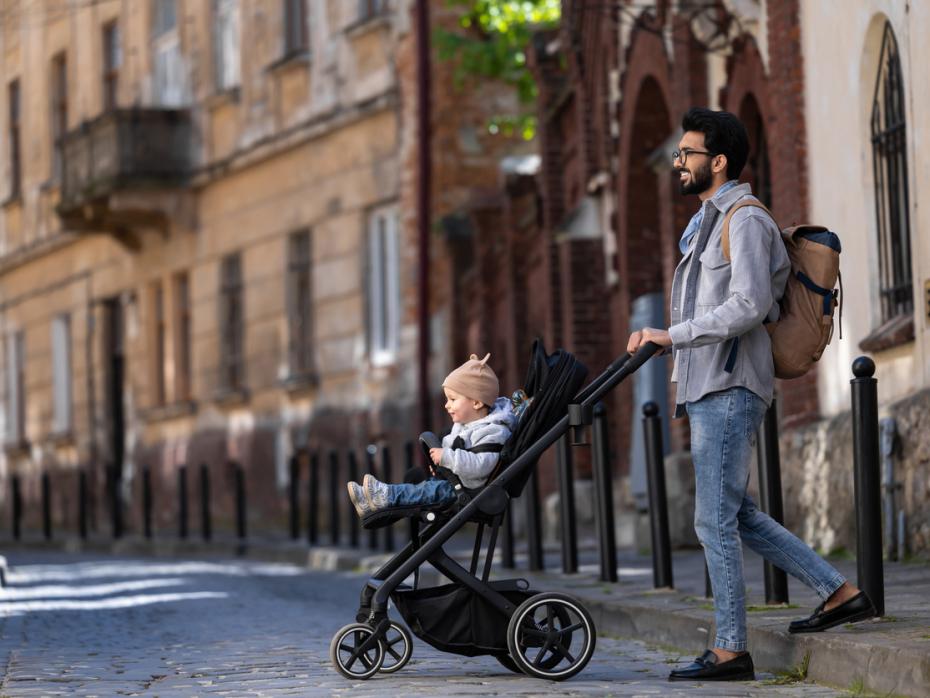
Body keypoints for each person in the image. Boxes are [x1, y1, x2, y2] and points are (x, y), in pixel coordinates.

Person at [627, 107, 875, 683]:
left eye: (686, 154)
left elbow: (748, 306)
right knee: (735, 512)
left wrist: (674, 336)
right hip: (707, 381)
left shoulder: (746, 219)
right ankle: (839, 593)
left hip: (731, 383)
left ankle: (731, 649)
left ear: (718, 161)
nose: (678, 163)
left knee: (712, 520)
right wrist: (670, 344)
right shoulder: (705, 221)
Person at [347, 353, 517, 516]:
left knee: (420, 492)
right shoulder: (466, 425)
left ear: (477, 402)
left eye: (452, 399)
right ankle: (369, 501)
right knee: (420, 488)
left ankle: (383, 496)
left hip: (463, 490)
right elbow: (456, 451)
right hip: (452, 482)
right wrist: (441, 464)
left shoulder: (493, 431)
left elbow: (481, 465)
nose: (446, 405)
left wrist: (446, 457)